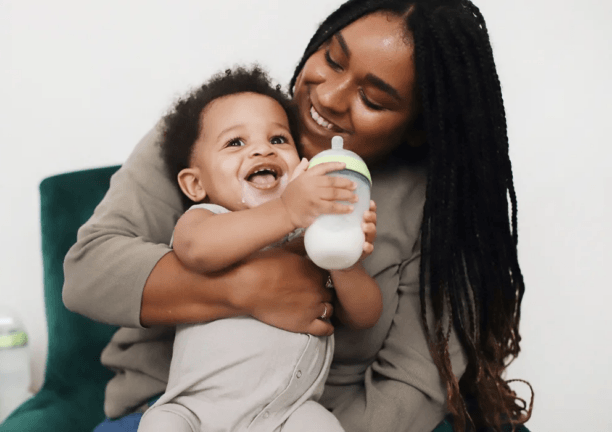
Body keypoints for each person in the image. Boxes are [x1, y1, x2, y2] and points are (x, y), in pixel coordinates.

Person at [63, 1, 532, 431]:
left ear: (416, 127)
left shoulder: (439, 209)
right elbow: (87, 274)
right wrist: (246, 290)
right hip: (174, 403)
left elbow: (408, 384)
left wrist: (345, 264)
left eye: (374, 99)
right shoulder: (215, 125)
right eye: (332, 58)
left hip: (308, 416)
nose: (328, 97)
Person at [136, 66, 381, 432]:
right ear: (195, 184)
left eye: (279, 140)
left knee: (322, 426)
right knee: (159, 425)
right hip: (194, 413)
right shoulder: (207, 217)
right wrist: (286, 210)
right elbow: (197, 250)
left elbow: (364, 316)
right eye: (236, 143)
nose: (262, 149)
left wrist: (345, 257)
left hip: (286, 415)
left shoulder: (312, 236)